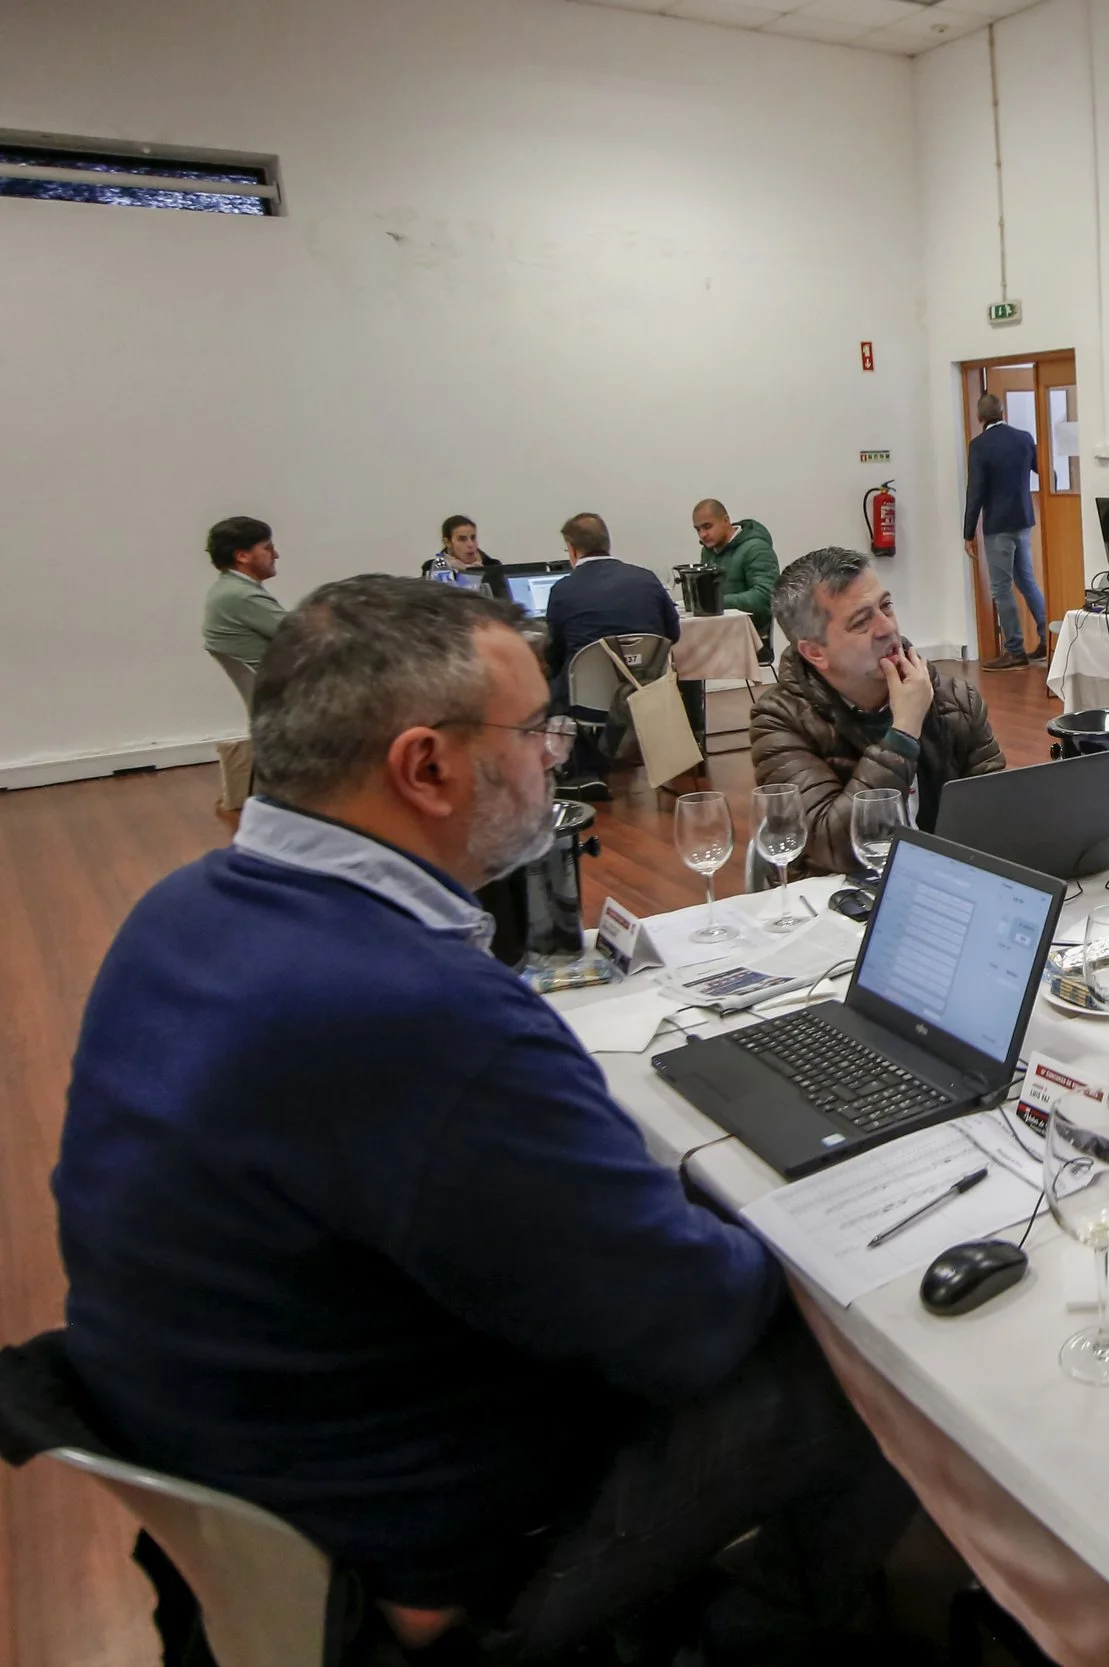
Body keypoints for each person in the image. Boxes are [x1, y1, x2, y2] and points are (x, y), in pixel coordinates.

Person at [53, 576, 912, 1663]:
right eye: (534, 731)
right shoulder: (411, 1010)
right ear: (426, 764)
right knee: (867, 1346)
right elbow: (694, 1323)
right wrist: (780, 1213)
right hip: (410, 1567)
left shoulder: (178, 911)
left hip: (255, 1486)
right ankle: (763, 1632)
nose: (554, 757)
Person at [752, 546, 1003, 877]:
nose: (887, 628)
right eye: (861, 622)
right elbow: (834, 847)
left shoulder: (954, 699)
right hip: (836, 903)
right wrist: (903, 732)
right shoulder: (778, 721)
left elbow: (998, 818)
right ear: (815, 653)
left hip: (943, 888)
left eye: (886, 606)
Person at [544, 512, 679, 798]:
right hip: (646, 691)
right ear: (607, 542)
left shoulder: (562, 590)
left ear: (571, 548)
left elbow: (553, 653)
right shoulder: (646, 579)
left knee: (552, 679)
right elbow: (672, 635)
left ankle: (582, 770)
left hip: (588, 700)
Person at [961, 393, 1047, 670]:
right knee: (1027, 581)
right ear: (1003, 412)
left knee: (1001, 587)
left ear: (980, 418)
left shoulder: (979, 446)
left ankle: (1014, 650)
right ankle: (1049, 639)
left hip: (997, 525)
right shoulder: (1023, 438)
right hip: (1023, 520)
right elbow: (1044, 470)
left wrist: (968, 531)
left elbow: (975, 492)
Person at [691, 498, 780, 658]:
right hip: (717, 630)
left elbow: (766, 598)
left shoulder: (757, 549)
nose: (703, 534)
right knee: (676, 647)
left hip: (752, 637)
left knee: (686, 654)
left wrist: (715, 603)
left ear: (726, 521)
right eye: (698, 529)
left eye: (707, 526)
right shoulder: (708, 551)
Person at [201, 515, 287, 670]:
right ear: (242, 556)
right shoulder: (241, 596)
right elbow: (305, 636)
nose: (276, 555)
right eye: (268, 548)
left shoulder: (226, 589)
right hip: (291, 688)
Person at [422, 514, 505, 596]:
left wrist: (475, 572)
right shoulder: (434, 568)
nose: (471, 544)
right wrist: (467, 574)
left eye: (473, 538)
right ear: (447, 542)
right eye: (462, 539)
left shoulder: (492, 565)